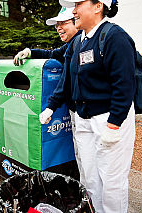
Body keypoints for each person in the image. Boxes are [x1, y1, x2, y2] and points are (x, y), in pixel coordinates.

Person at [40, 0, 136, 212]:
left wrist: (114, 124)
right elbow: (67, 80)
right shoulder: (77, 42)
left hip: (108, 119)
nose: (74, 10)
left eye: (78, 3)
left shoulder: (114, 37)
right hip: (83, 120)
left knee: (112, 184)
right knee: (90, 179)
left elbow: (125, 85)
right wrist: (51, 106)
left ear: (97, 6)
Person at [13, 7, 85, 185]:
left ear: (76, 21)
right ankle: (85, 193)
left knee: (91, 160)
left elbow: (66, 82)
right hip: (76, 110)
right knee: (82, 156)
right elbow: (53, 54)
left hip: (88, 112)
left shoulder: (82, 43)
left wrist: (51, 106)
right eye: (57, 25)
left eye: (63, 23)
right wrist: (31, 52)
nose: (59, 28)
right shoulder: (71, 44)